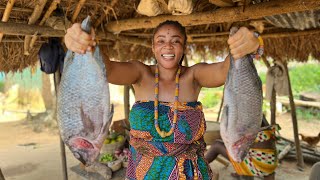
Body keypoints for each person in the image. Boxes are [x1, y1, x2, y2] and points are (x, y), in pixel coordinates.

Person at [64, 20, 260, 179]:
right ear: (153, 47)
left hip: (189, 174)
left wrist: (246, 43)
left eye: (176, 41)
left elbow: (226, 69)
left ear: (183, 47)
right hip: (142, 174)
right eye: (161, 41)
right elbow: (108, 69)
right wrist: (85, 44)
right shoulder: (140, 74)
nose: (168, 45)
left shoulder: (194, 76)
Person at [205, 115, 279, 180]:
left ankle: (197, 167)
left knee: (216, 145)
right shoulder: (258, 114)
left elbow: (236, 141)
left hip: (260, 165)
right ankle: (241, 171)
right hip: (270, 161)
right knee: (235, 147)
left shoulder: (247, 119)